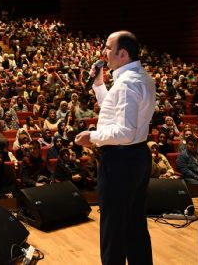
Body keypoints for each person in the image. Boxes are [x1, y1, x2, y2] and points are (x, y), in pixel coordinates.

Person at [75, 31, 155, 265]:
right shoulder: (141, 77)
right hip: (137, 156)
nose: (104, 53)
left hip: (120, 160)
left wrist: (93, 136)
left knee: (113, 230)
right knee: (135, 225)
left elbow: (124, 131)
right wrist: (99, 85)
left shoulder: (127, 84)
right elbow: (115, 110)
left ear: (123, 53)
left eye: (108, 48)